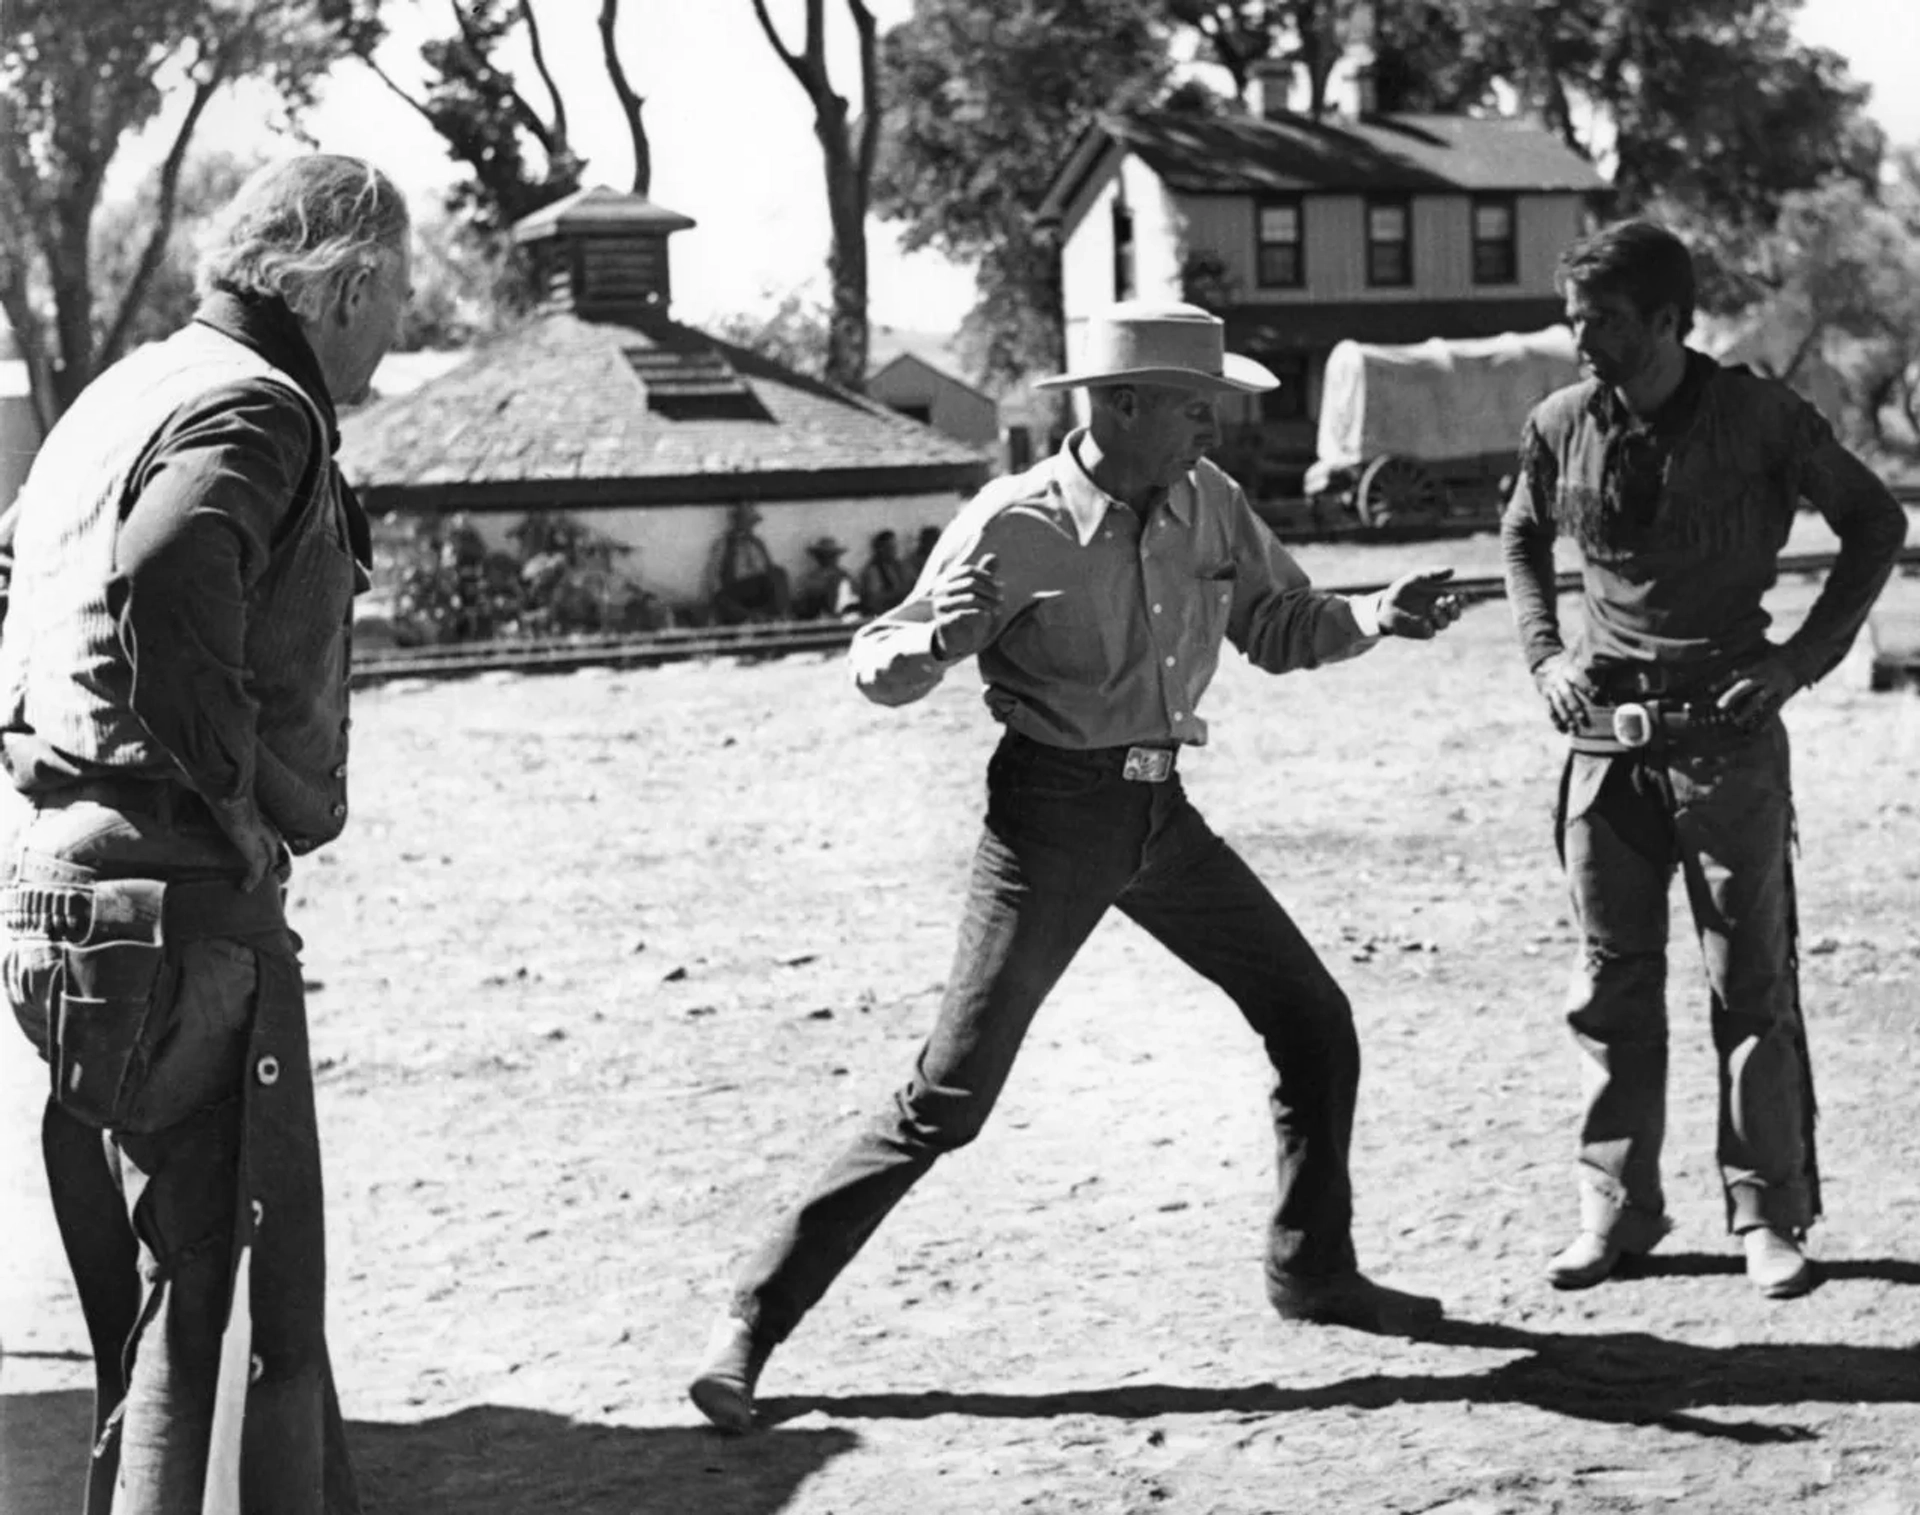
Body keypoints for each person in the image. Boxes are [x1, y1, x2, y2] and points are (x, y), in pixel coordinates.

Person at [689, 299, 1465, 1433]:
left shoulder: (1210, 503)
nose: (1212, 430)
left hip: (1161, 817)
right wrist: (937, 642)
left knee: (1312, 1017)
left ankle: (1314, 1270)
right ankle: (749, 1324)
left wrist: (1377, 615)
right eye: (1196, 409)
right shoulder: (1012, 522)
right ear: (1120, 405)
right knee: (946, 1104)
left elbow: (1280, 625)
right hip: (1049, 823)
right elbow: (875, 664)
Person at [0, 154, 412, 1513]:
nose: (399, 328)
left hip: (58, 900)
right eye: (396, 295)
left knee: (210, 1291)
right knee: (217, 1311)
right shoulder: (257, 405)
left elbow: (20, 574)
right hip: (176, 910)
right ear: (347, 283)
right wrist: (230, 793)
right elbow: (172, 563)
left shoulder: (126, 389)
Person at [1500, 220, 1908, 1300]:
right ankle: (1616, 1210)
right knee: (1608, 985)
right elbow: (1522, 538)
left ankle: (1769, 1217)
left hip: (1727, 745)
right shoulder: (1559, 424)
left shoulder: (1763, 419)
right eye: (1575, 319)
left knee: (1750, 984)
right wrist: (1545, 656)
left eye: (1608, 322)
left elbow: (1874, 523)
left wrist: (1798, 666)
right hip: (1606, 751)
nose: (1585, 340)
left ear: (1672, 320)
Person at [711, 502, 793, 623]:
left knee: (779, 573)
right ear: (736, 521)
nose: (747, 525)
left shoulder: (758, 543)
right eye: (744, 521)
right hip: (737, 587)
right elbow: (713, 574)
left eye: (750, 522)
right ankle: (754, 617)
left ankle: (779, 615)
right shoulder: (723, 543)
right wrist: (717, 593)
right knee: (722, 600)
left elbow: (769, 568)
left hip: (759, 587)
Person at [791, 535, 861, 620]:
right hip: (815, 621)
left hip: (842, 619)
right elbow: (799, 604)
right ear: (818, 557)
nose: (827, 558)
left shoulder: (845, 576)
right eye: (823, 555)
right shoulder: (808, 579)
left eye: (831, 555)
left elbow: (855, 600)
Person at [856, 528, 913, 616]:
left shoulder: (901, 566)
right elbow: (873, 600)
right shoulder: (872, 571)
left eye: (895, 547)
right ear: (880, 549)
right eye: (890, 547)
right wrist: (900, 593)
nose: (894, 551)